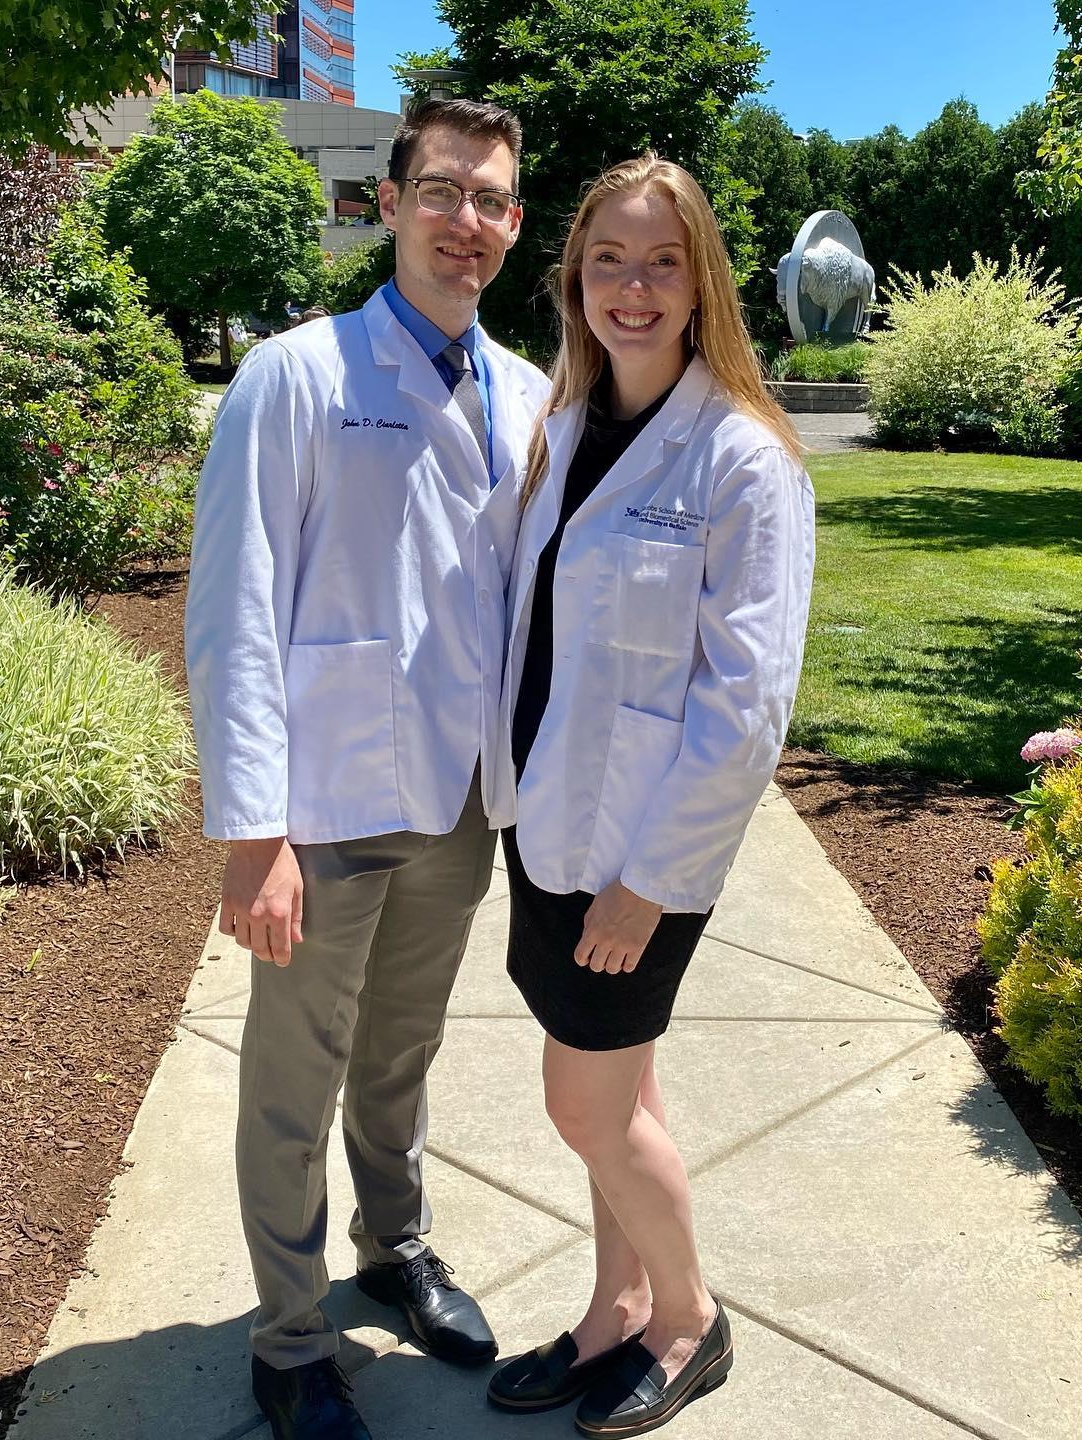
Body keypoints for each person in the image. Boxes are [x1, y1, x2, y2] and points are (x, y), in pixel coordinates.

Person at [184, 97, 549, 1440]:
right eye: (442, 190)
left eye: (493, 200)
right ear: (388, 204)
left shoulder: (524, 395)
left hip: (456, 807)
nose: (467, 220)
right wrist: (252, 833)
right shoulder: (296, 375)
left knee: (401, 1057)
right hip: (325, 807)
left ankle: (393, 1249)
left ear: (515, 226)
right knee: (294, 1085)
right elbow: (232, 607)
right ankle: (289, 1343)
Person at [484, 154, 814, 1437]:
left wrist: (647, 883)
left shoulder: (743, 459)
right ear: (575, 278)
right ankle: (612, 1307)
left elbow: (746, 712)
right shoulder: (565, 426)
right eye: (608, 260)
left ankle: (687, 1317)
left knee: (584, 1107)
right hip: (549, 824)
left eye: (660, 262)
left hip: (635, 859)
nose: (632, 286)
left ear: (702, 283)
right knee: (624, 1098)